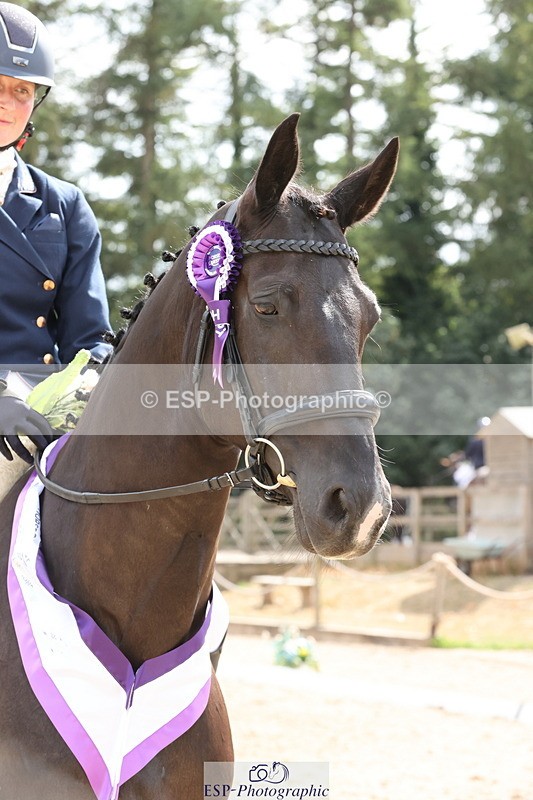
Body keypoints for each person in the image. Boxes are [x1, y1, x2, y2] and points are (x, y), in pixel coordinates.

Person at [0, 2, 112, 464]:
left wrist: (84, 387)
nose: (7, 103)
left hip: (41, 419)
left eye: (21, 90)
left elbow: (90, 336)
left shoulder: (63, 204)